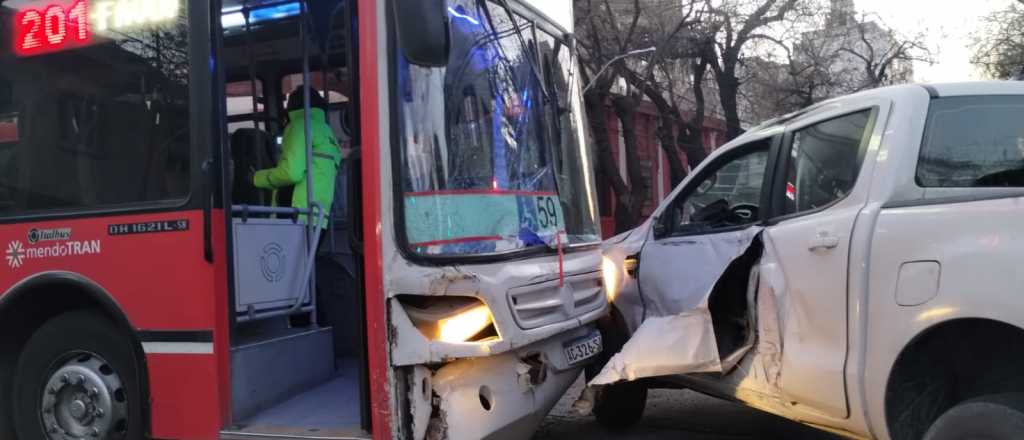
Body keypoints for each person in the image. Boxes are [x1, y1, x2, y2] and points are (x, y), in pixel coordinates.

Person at [252, 86, 342, 228]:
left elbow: (291, 173)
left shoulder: (300, 125)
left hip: (296, 211)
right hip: (319, 215)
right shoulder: (327, 131)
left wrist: (255, 178)